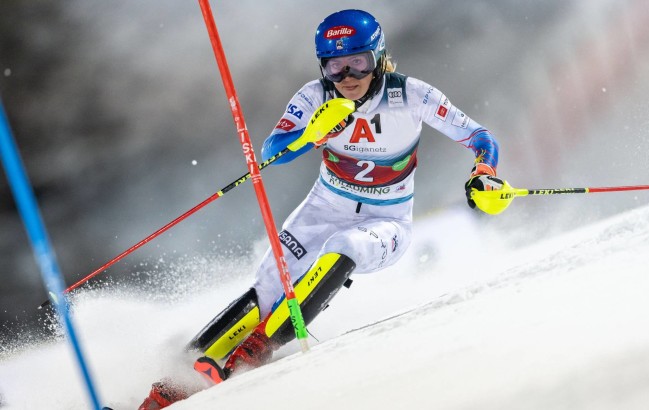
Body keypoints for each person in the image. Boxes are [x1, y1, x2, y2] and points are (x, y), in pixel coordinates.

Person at [139, 8, 503, 409]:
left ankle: (253, 352)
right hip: (323, 208)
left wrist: (484, 172)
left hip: (387, 220)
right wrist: (310, 134)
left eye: (358, 62)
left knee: (345, 246)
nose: (347, 77)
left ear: (379, 57)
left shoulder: (411, 95)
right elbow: (271, 152)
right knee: (269, 285)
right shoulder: (315, 96)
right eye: (334, 66)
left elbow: (479, 136)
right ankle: (167, 388)